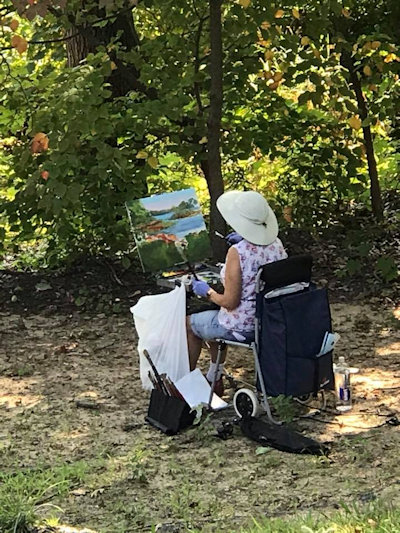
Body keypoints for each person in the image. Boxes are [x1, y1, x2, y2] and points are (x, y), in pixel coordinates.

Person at [186, 190, 287, 395]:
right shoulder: (276, 245)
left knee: (188, 324)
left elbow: (230, 302)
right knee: (210, 320)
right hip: (273, 320)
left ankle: (186, 387)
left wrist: (206, 292)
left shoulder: (237, 252)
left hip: (244, 326)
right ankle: (214, 378)